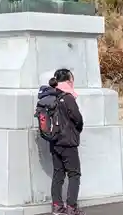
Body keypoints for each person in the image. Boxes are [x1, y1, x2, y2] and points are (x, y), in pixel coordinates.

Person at [38, 69, 84, 215]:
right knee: (74, 174)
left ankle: (57, 206)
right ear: (69, 80)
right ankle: (72, 207)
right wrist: (77, 130)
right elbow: (78, 118)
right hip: (68, 142)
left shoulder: (52, 96)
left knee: (58, 174)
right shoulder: (68, 98)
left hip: (54, 141)